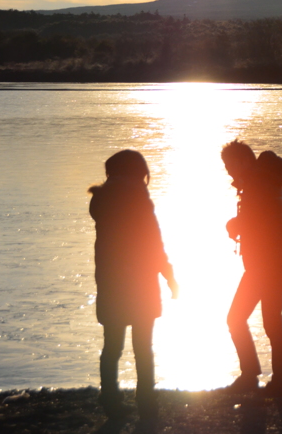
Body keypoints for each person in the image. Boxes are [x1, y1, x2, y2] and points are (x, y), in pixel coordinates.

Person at [88, 150, 178, 424]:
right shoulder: (138, 200)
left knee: (112, 346)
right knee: (143, 347)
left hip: (111, 282)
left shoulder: (102, 201)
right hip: (140, 284)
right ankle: (147, 404)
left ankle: (111, 401)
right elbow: (154, 243)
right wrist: (170, 276)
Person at [221, 140, 282, 397]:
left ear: (242, 161)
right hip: (271, 262)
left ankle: (254, 375)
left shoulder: (256, 185)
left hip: (266, 265)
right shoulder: (261, 182)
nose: (229, 172)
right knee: (270, 322)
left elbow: (256, 223)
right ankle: (275, 379)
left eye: (229, 166)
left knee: (237, 318)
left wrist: (234, 225)